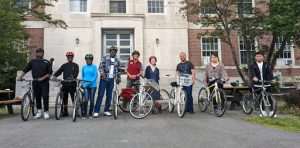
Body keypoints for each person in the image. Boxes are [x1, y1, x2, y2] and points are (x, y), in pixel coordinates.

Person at [18, 48, 53, 119]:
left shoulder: (47, 62)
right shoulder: (32, 62)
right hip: (35, 81)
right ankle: (39, 111)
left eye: (41, 52)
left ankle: (46, 111)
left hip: (44, 82)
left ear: (43, 53)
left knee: (45, 96)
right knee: (37, 97)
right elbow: (26, 69)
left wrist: (42, 78)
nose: (40, 53)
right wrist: (20, 77)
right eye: (38, 52)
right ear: (36, 53)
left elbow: (49, 73)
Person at [94, 46, 121, 117]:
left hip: (112, 79)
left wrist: (119, 77)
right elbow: (100, 67)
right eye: (112, 51)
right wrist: (102, 73)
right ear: (110, 52)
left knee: (109, 95)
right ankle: (96, 111)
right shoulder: (105, 58)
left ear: (116, 53)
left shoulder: (117, 60)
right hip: (104, 79)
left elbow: (118, 70)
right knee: (100, 95)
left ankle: (106, 110)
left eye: (115, 51)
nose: (113, 52)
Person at [52, 51, 79, 117]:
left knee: (73, 97)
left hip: (72, 84)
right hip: (65, 84)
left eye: (71, 57)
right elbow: (59, 71)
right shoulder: (64, 65)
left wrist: (73, 77)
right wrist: (54, 76)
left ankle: (75, 111)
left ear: (73, 57)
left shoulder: (75, 65)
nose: (70, 58)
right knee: (64, 98)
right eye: (68, 57)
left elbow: (76, 73)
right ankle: (65, 111)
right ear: (67, 57)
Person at [249, 51, 275, 117]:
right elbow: (252, 73)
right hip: (257, 84)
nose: (259, 57)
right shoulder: (252, 65)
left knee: (269, 97)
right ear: (255, 57)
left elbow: (270, 73)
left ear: (263, 57)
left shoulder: (266, 64)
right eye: (257, 56)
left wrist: (272, 79)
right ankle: (262, 112)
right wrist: (254, 77)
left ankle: (272, 112)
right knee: (261, 98)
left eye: (260, 56)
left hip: (266, 83)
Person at [82, 54, 98, 119]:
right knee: (86, 100)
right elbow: (83, 76)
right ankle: (85, 114)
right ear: (85, 60)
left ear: (92, 60)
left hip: (93, 85)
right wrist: (84, 83)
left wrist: (90, 82)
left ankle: (90, 114)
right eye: (87, 59)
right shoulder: (83, 67)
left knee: (91, 100)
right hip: (85, 85)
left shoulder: (94, 67)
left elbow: (95, 75)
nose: (88, 61)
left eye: (90, 59)